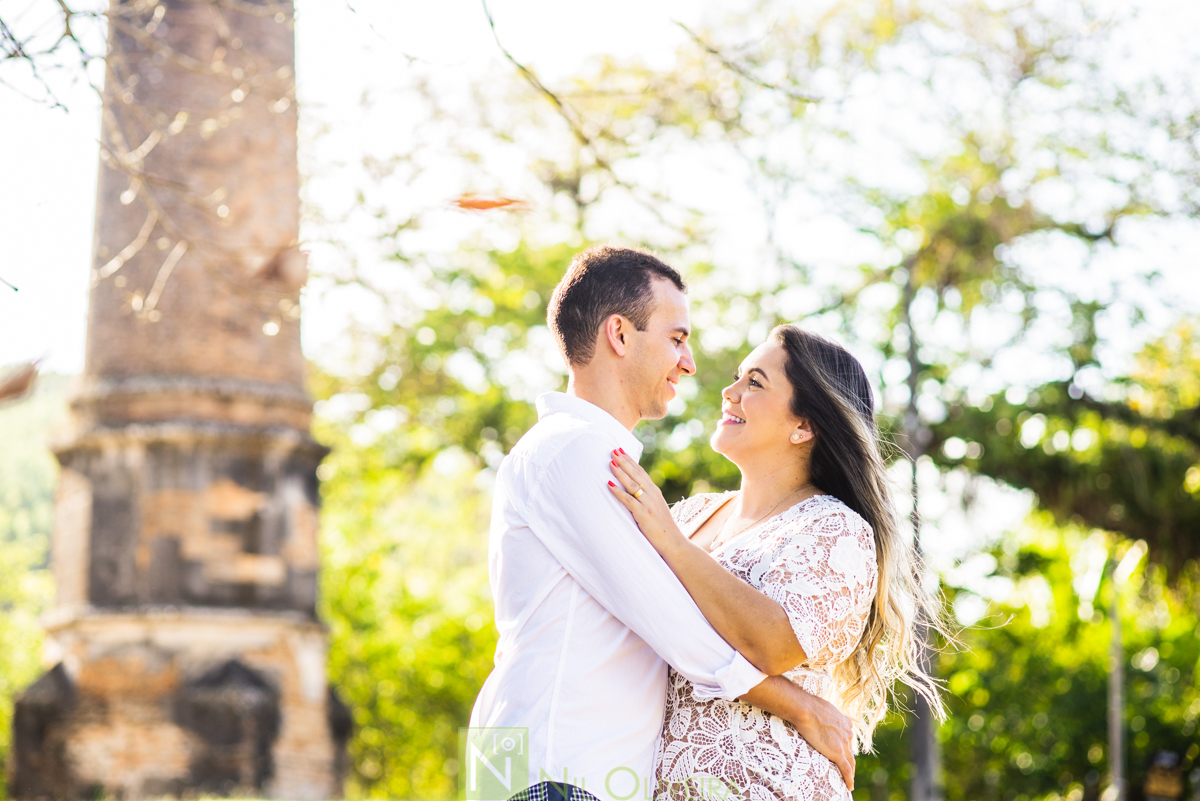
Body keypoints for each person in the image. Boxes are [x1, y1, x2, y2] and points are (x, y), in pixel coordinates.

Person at [469, 247, 857, 801]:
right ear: (620, 335)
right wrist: (801, 706)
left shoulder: (592, 459)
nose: (691, 363)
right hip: (558, 769)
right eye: (677, 338)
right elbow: (672, 623)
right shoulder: (574, 455)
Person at [606, 325, 947, 800]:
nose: (729, 393)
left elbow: (768, 644)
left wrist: (671, 545)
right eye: (738, 377)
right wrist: (797, 704)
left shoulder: (836, 530)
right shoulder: (686, 516)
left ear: (804, 425)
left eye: (755, 383)